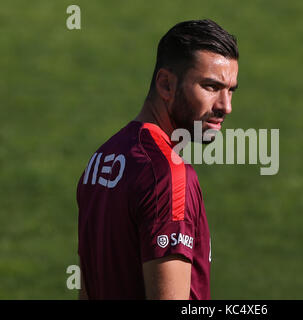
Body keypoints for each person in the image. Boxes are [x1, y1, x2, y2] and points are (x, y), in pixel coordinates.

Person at [76, 19, 239, 300]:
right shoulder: (168, 175)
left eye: (231, 90)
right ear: (166, 84)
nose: (226, 106)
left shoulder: (102, 159)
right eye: (211, 87)